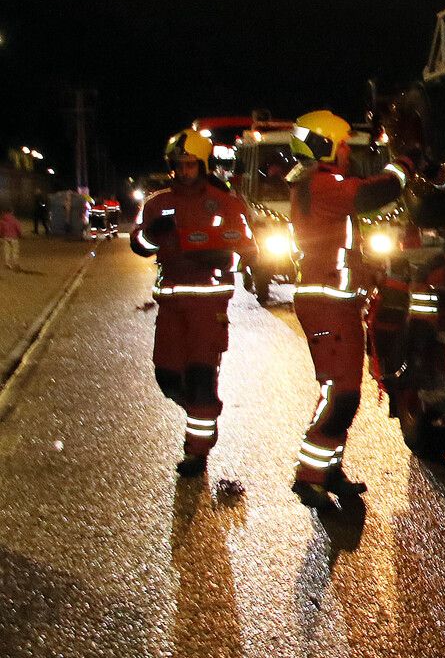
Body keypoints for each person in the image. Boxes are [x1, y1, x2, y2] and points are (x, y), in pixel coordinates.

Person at [287, 110, 409, 508]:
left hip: (334, 303)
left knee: (344, 392)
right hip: (327, 305)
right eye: (341, 146)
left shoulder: (313, 184)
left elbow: (338, 244)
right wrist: (403, 164)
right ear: (325, 145)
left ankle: (328, 469)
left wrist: (366, 270)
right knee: (340, 395)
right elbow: (374, 193)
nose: (346, 154)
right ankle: (310, 476)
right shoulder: (322, 184)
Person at [129, 129, 258, 476]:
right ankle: (202, 411)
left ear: (203, 165)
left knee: (202, 377)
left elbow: (249, 252)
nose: (184, 171)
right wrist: (153, 232)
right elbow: (139, 244)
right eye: (179, 165)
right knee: (167, 377)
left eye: (190, 165)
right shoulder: (157, 203)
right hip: (171, 302)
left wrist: (219, 259)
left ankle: (197, 451)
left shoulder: (226, 202)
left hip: (208, 305)